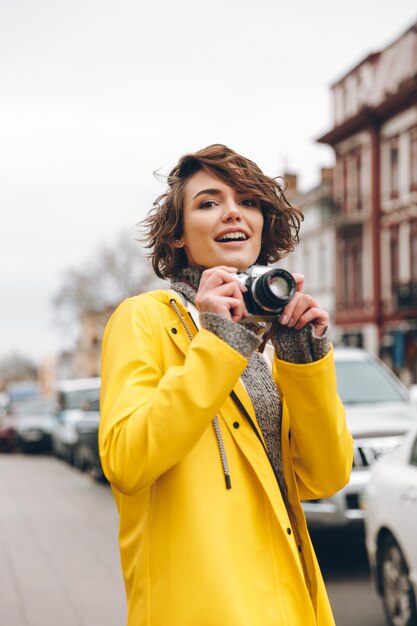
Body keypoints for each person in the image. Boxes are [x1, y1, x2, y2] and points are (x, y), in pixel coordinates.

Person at [99, 144, 353, 626]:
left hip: (291, 606)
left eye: (248, 201)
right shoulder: (145, 319)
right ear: (177, 235)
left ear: (263, 223)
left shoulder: (263, 337)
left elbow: (325, 477)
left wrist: (303, 356)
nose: (233, 211)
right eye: (209, 202)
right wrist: (219, 341)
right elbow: (126, 461)